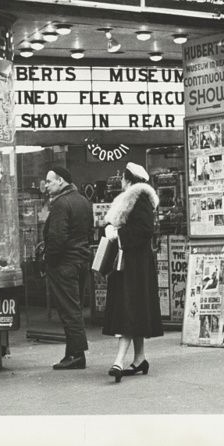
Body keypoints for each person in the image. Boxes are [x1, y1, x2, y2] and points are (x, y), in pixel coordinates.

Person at [102, 162, 164, 383]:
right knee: (134, 310)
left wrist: (117, 234)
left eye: (122, 177)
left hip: (133, 266)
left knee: (127, 310)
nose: (120, 181)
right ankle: (140, 358)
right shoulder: (138, 199)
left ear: (128, 179)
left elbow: (144, 230)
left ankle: (118, 361)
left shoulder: (138, 199)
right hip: (133, 265)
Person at [43, 166, 93, 370]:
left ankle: (76, 354)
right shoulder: (82, 200)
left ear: (61, 181)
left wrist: (49, 261)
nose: (45, 185)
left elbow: (57, 237)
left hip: (64, 264)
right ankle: (73, 352)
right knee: (75, 307)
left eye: (49, 181)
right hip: (81, 260)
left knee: (69, 310)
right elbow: (88, 230)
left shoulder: (61, 204)